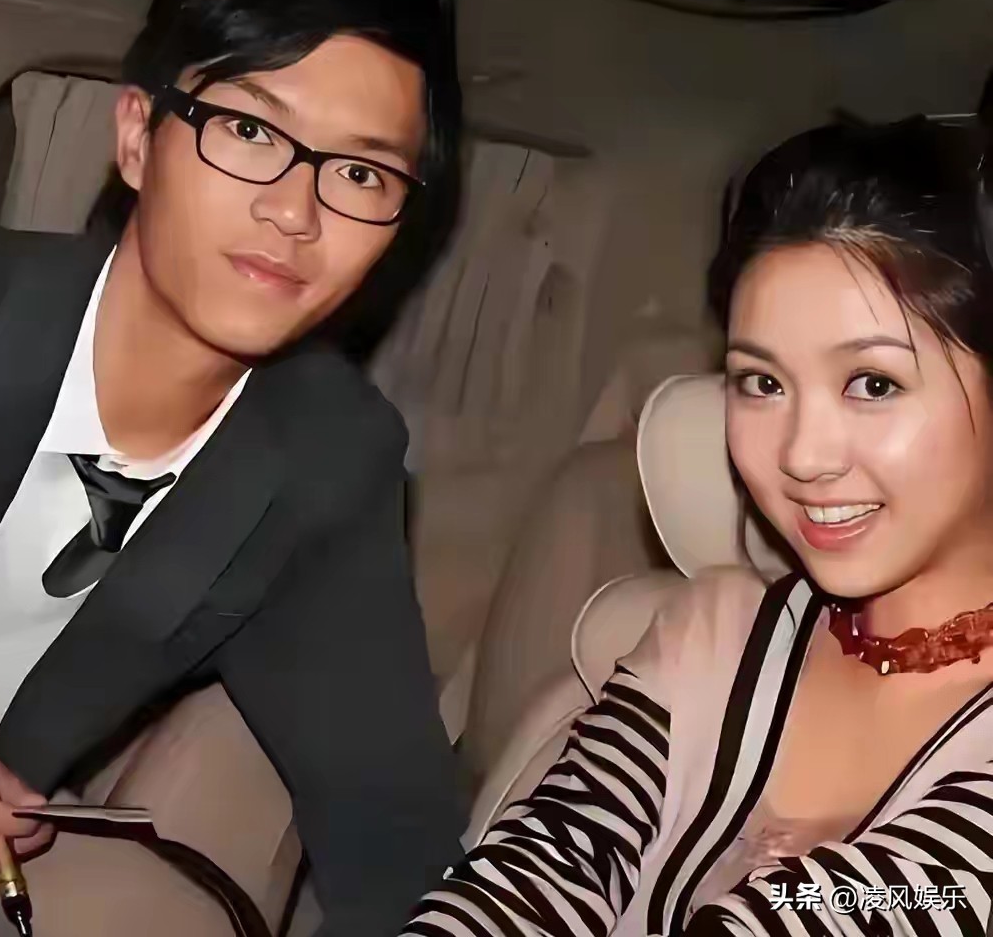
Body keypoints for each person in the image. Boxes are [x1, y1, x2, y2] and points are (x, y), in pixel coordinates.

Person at [0, 0, 464, 933]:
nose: (295, 212)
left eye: (360, 173)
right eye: (250, 131)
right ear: (137, 137)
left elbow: (393, 825)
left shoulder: (328, 460)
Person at [401, 110, 993, 937]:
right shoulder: (714, 635)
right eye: (761, 383)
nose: (803, 455)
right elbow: (546, 863)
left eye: (873, 384)